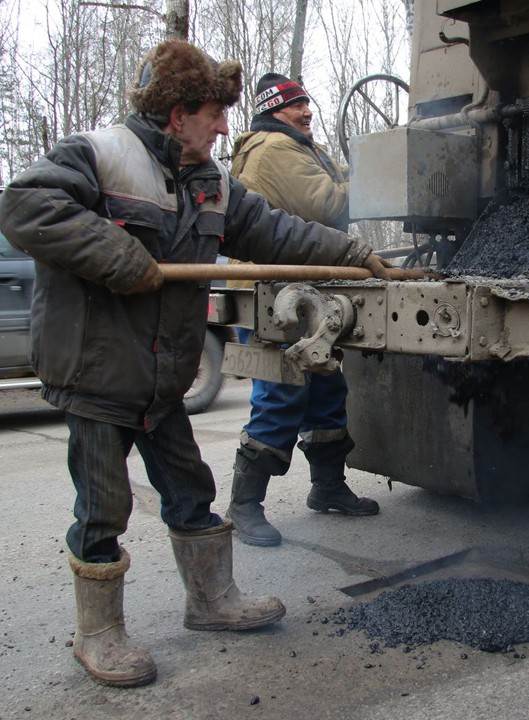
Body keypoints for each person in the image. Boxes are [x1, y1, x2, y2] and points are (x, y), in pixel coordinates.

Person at [0, 39, 390, 689]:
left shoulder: (208, 184)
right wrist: (116, 255)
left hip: (160, 376)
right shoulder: (99, 157)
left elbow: (275, 232)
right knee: (103, 506)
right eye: (213, 113)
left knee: (190, 490)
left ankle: (210, 601)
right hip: (98, 374)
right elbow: (24, 206)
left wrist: (353, 252)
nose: (223, 126)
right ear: (178, 113)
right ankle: (98, 632)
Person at [222, 73, 379, 549]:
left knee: (327, 388)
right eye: (296, 106)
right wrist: (382, 175)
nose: (307, 111)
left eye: (307, 102)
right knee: (282, 392)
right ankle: (244, 505)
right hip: (275, 298)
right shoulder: (272, 149)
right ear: (273, 111)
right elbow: (326, 204)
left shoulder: (297, 146)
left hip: (304, 291)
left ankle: (327, 487)